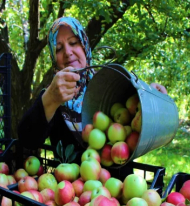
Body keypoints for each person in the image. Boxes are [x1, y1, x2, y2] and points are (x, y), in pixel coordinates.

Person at [18, 17, 167, 153]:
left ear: (84, 45)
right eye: (59, 48)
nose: (68, 52)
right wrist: (51, 98)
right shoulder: (53, 94)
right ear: (53, 57)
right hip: (71, 182)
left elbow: (139, 118)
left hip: (120, 181)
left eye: (73, 43)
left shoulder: (110, 84)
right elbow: (27, 140)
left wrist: (150, 96)